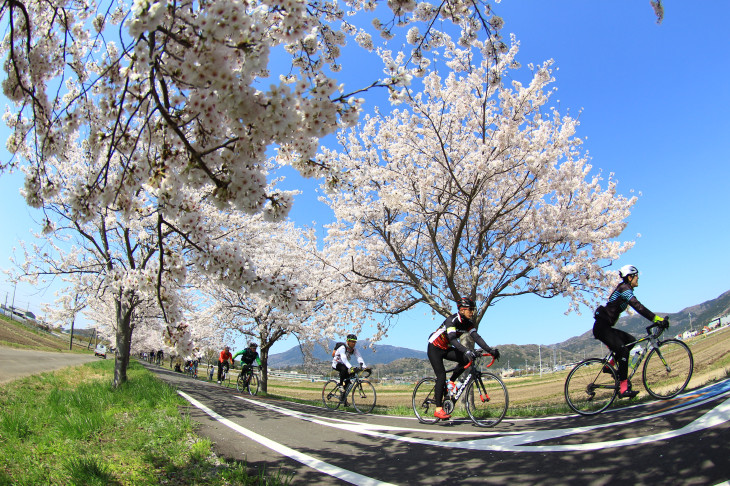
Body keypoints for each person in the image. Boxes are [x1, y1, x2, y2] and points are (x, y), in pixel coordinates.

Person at [593, 265, 667, 399]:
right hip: (602, 328)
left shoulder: (625, 289)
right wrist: (657, 319)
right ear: (630, 277)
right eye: (636, 276)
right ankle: (623, 389)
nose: (638, 278)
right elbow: (637, 306)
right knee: (623, 351)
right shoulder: (624, 289)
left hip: (604, 327)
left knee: (631, 341)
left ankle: (609, 367)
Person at [427, 296, 500, 420]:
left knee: (466, 360)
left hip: (446, 348)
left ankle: (451, 381)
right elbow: (453, 339)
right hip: (434, 348)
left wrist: (490, 350)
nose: (472, 312)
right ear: (462, 310)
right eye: (470, 309)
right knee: (441, 376)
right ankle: (438, 409)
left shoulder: (468, 323)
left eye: (473, 309)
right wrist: (466, 350)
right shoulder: (452, 320)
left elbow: (476, 337)